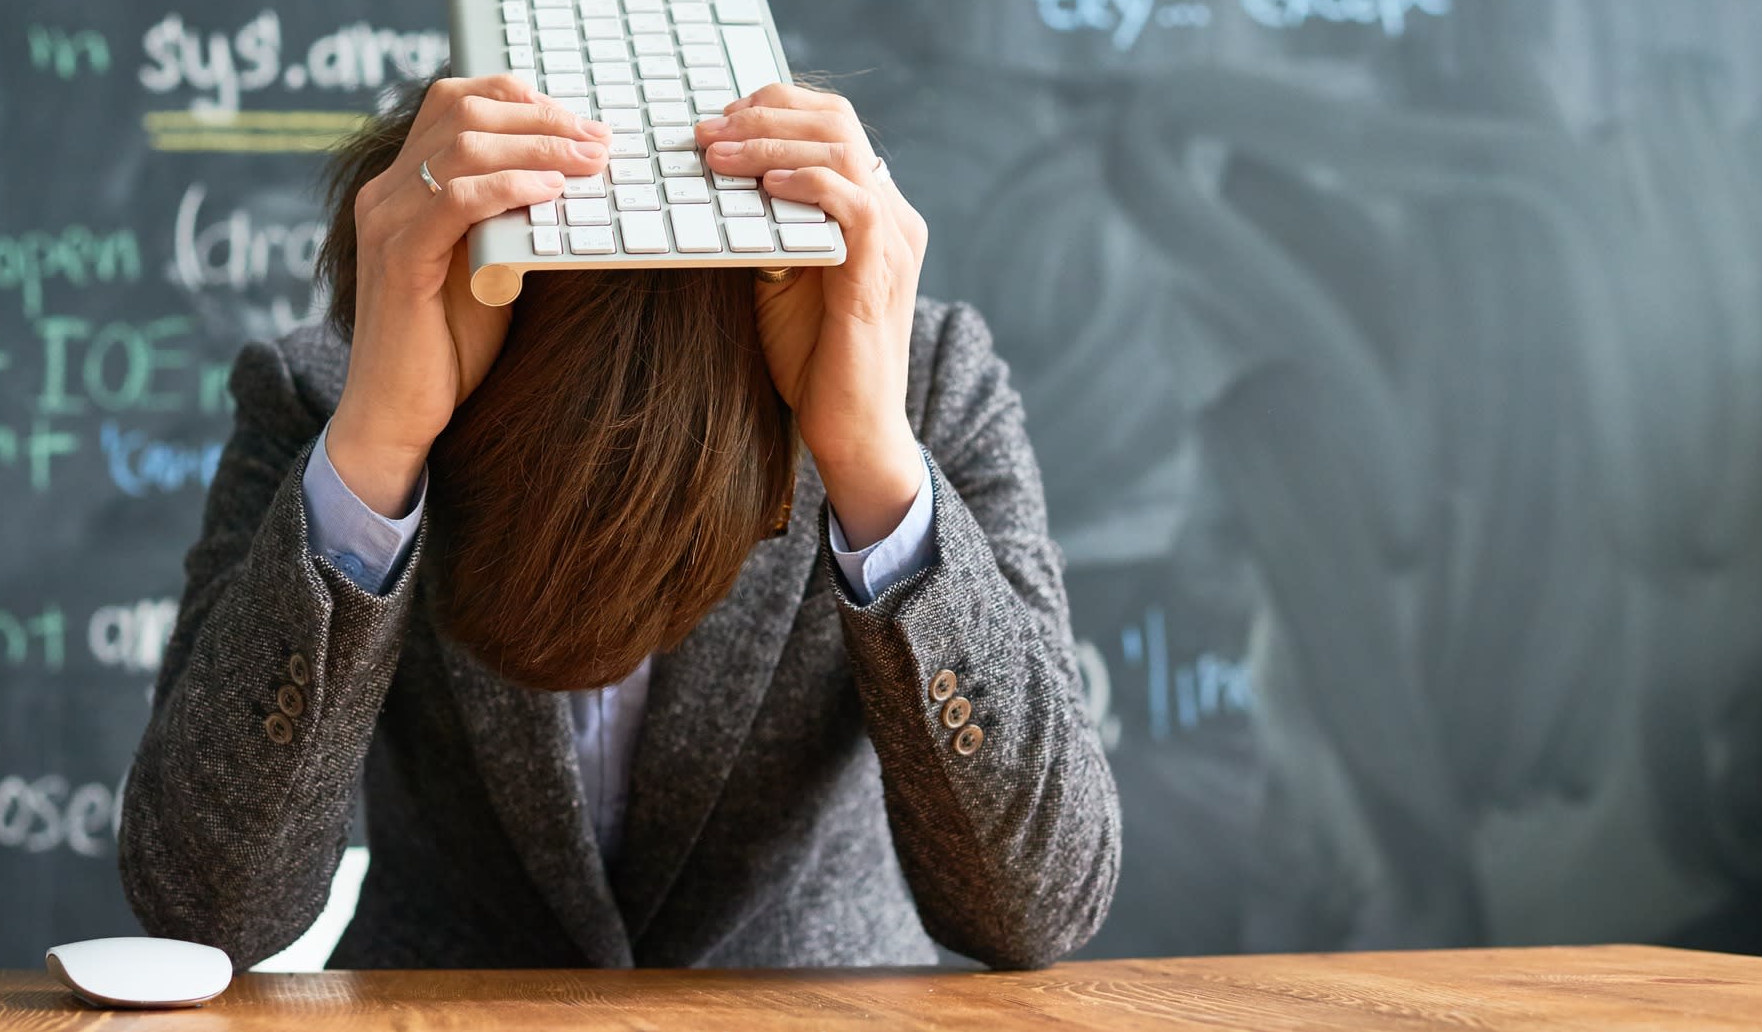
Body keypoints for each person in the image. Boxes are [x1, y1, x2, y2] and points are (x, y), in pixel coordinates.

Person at [118, 74, 1120, 970]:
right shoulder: (323, 399)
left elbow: (1042, 905)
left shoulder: (922, 384)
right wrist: (374, 450)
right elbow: (204, 908)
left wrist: (872, 463)